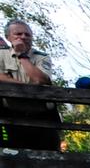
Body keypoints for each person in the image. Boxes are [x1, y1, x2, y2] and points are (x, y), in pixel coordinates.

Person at [0, 19, 61, 151]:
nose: (23, 37)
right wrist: (25, 85)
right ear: (8, 37)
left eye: (27, 34)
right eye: (18, 34)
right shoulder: (1, 54)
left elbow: (40, 80)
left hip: (41, 113)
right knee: (11, 155)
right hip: (11, 113)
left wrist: (21, 55)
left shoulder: (41, 57)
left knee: (47, 154)